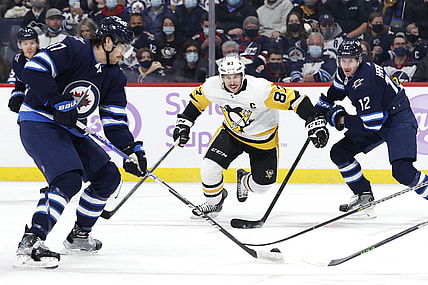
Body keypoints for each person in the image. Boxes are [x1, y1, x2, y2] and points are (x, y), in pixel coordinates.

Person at [14, 16, 148, 269]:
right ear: (108, 42)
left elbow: (115, 121)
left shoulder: (114, 76)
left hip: (71, 129)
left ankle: (79, 236)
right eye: (123, 47)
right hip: (38, 121)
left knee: (108, 177)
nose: (125, 53)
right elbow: (33, 69)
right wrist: (56, 100)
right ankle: (32, 240)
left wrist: (131, 150)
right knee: (69, 179)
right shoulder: (74, 49)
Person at [172, 56, 329, 217]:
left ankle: (244, 180)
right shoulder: (212, 86)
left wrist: (313, 121)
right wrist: (184, 123)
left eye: (235, 77)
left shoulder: (261, 90)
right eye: (227, 77)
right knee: (209, 168)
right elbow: (196, 103)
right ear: (221, 78)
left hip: (263, 141)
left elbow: (296, 100)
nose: (232, 82)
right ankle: (214, 204)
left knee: (262, 186)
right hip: (231, 134)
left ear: (242, 75)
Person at [314, 39, 428, 219]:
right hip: (378, 116)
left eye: (350, 60)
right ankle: (363, 195)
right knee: (340, 153)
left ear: (359, 59)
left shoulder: (367, 81)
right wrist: (316, 114)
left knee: (402, 171)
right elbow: (332, 96)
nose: (346, 65)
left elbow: (372, 125)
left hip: (397, 118)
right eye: (343, 60)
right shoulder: (344, 73)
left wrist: (339, 118)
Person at [8, 27, 40, 113]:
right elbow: (20, 83)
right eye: (25, 44)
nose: (29, 48)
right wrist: (17, 96)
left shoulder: (45, 57)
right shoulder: (18, 60)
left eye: (32, 43)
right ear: (19, 45)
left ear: (37, 44)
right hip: (33, 102)